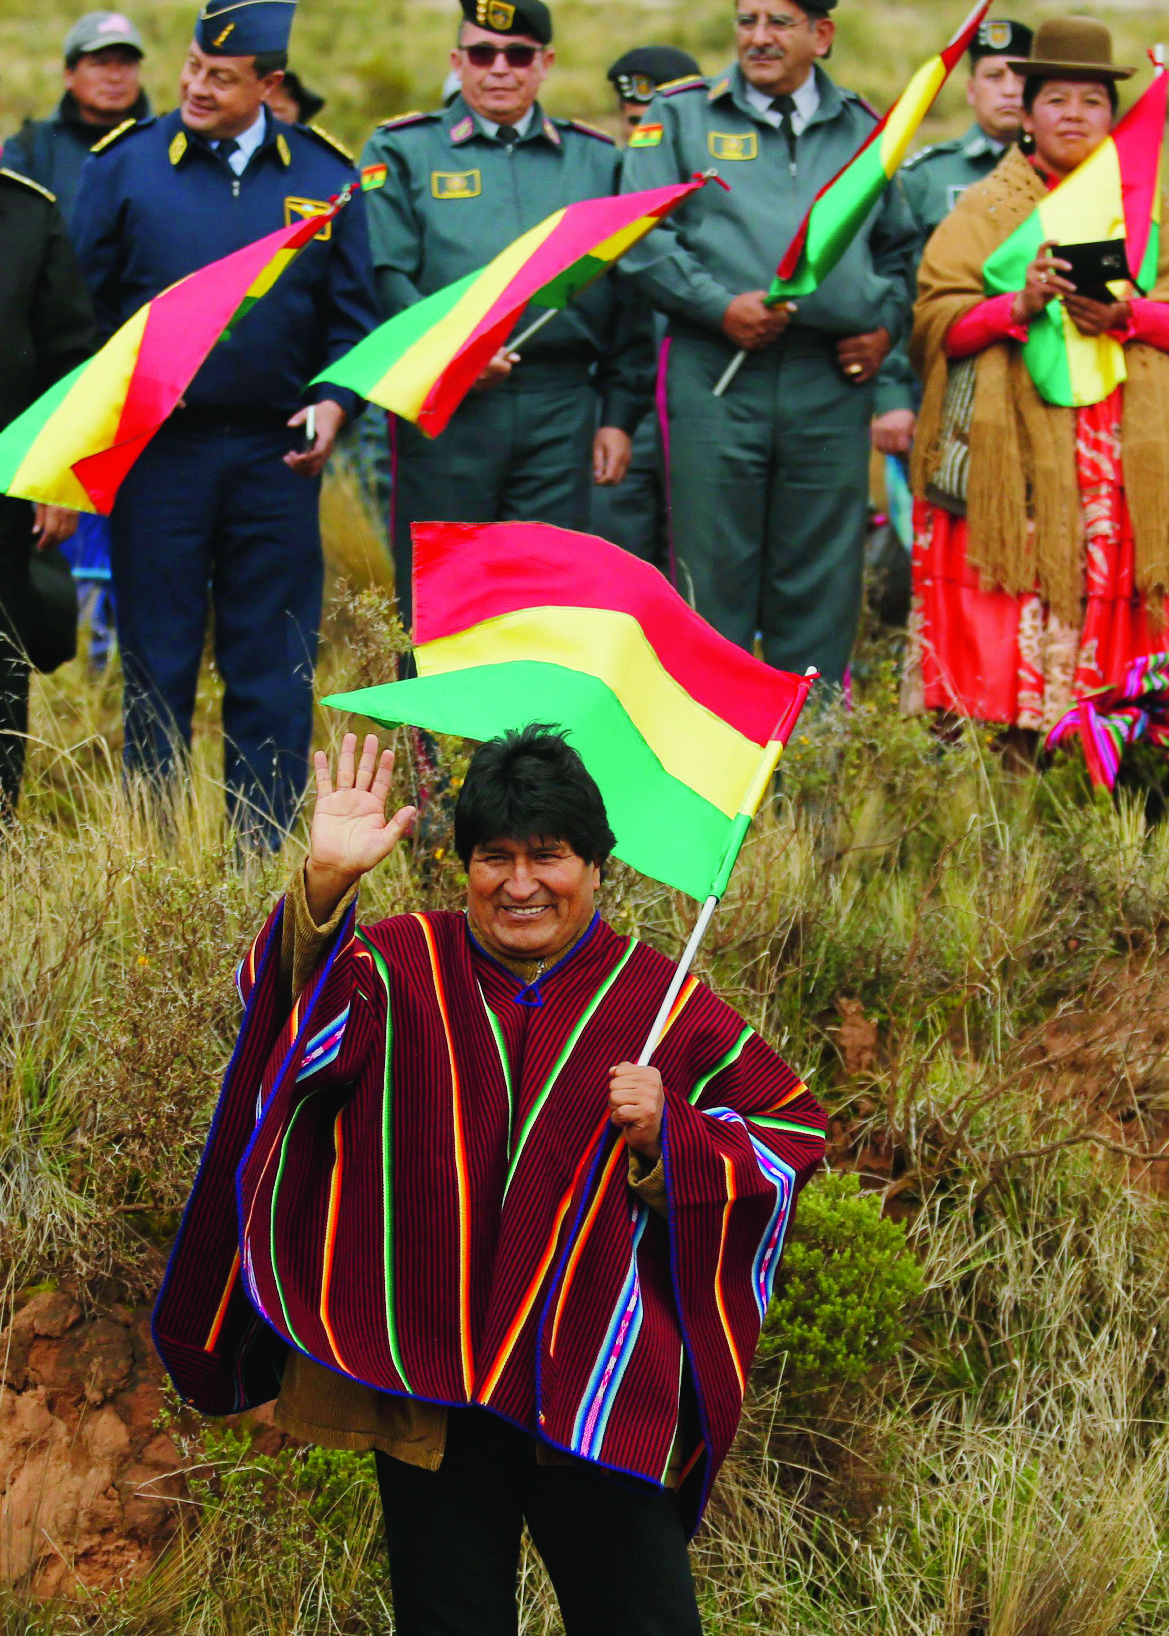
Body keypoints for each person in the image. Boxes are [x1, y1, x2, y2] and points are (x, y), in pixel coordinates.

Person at [153, 724, 826, 1635]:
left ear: (597, 865)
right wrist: (324, 884)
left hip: (594, 1381)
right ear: (462, 866)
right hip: (433, 1376)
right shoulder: (397, 967)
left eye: (547, 856)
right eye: (492, 858)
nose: (519, 884)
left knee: (646, 1622)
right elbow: (287, 1023)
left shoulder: (662, 1002)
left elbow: (791, 1134)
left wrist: (672, 1140)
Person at [71, 0, 377, 847]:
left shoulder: (323, 175)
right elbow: (82, 318)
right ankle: (157, 853)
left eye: (223, 77)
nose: (196, 87)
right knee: (157, 666)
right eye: (193, 67)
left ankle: (261, 856)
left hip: (275, 463)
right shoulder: (126, 168)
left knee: (271, 669)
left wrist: (336, 401)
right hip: (158, 457)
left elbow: (353, 321)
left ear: (270, 85)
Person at [619, 0, 916, 688]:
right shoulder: (680, 115)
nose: (757, 37)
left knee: (819, 582)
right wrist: (717, 307)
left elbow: (898, 251)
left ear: (822, 34)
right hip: (718, 371)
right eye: (746, 19)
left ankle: (806, 769)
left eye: (778, 22)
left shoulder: (865, 128)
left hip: (829, 380)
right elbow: (641, 235)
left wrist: (882, 330)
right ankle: (711, 770)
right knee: (711, 578)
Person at [905, 17, 1169, 753]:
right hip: (1013, 469)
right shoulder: (985, 210)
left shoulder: (1152, 210)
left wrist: (1128, 315)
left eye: (1091, 101)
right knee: (1009, 621)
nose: (1074, 115)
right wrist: (1013, 307)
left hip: (1120, 469)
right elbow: (934, 325)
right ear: (1024, 114)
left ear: (1111, 116)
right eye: (1056, 99)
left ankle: (1118, 768)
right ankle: (1011, 777)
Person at [359, 0, 654, 636]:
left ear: (544, 64)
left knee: (547, 596)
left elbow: (628, 296)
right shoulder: (404, 150)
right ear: (456, 61)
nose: (500, 69)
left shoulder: (597, 161)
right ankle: (432, 740)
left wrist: (620, 415)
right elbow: (388, 278)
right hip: (447, 406)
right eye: (482, 54)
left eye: (517, 55)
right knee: (445, 593)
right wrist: (454, 356)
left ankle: (527, 741)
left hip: (561, 406)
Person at [872, 17, 1031, 458]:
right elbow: (898, 290)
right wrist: (892, 398)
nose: (1010, 88)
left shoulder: (1070, 177)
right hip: (944, 383)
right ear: (971, 89)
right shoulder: (926, 178)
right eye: (994, 76)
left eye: (1022, 75)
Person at [0, 166, 95, 814]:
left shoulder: (29, 214)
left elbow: (70, 360)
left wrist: (60, 477)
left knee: (2, 654)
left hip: (5, 485)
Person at [590, 44, 701, 571]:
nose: (642, 144)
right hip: (620, 421)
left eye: (654, 129)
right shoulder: (600, 202)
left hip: (705, 414)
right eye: (633, 127)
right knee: (622, 570)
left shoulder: (727, 202)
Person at [2, 11, 150, 226]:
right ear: (69, 75)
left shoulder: (165, 145)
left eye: (126, 64)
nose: (115, 77)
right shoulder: (31, 148)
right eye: (100, 63)